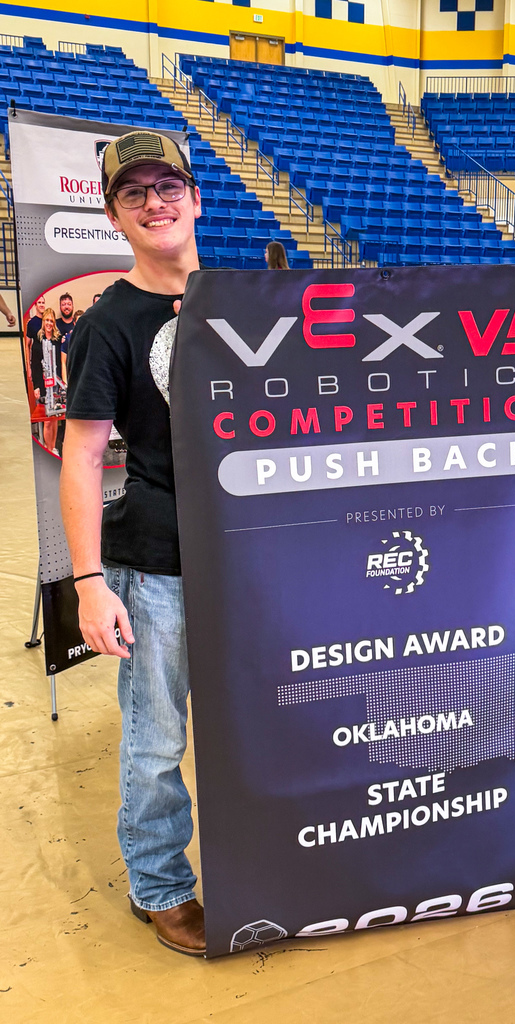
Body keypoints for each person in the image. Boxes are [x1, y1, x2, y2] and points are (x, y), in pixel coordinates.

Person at [60, 129, 206, 957]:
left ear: (195, 199)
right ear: (115, 215)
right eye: (135, 193)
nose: (155, 202)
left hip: (245, 559)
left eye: (168, 187)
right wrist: (89, 581)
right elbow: (82, 452)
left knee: (256, 723)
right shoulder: (110, 323)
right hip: (154, 566)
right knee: (155, 740)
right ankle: (160, 887)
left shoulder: (241, 300)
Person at [31, 307, 62, 452]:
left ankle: (53, 447)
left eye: (51, 320)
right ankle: (47, 449)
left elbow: (61, 362)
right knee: (48, 420)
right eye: (46, 320)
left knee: (55, 418)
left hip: (55, 384)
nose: (49, 323)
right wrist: (36, 386)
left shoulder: (57, 339)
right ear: (43, 322)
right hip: (43, 384)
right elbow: (35, 364)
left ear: (54, 322)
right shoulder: (38, 339)